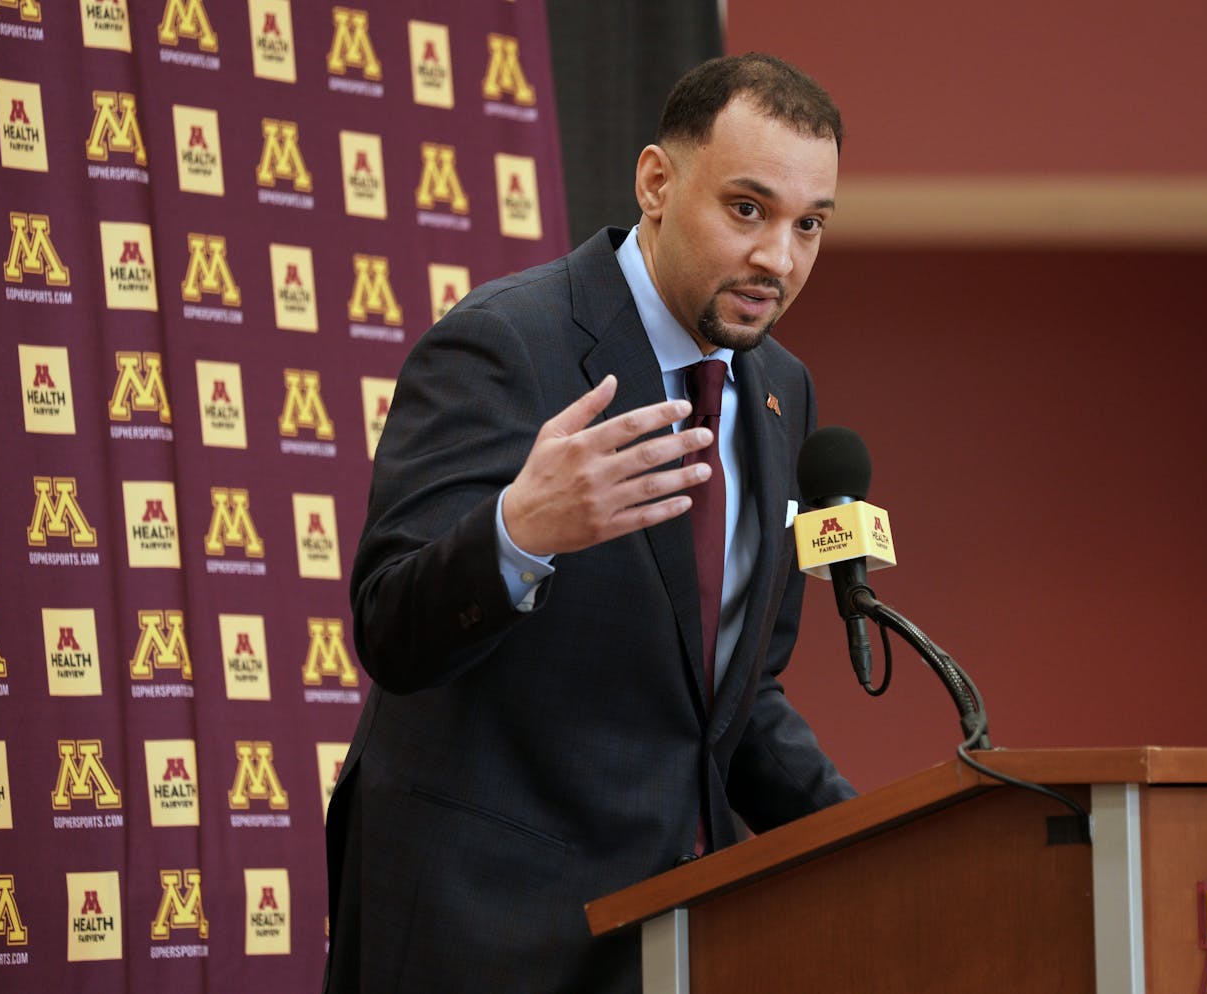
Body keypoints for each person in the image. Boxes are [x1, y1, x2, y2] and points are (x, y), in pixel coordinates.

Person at [324, 53, 856, 993]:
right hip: (477, 932)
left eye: (808, 225)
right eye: (748, 210)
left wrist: (873, 837)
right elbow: (391, 632)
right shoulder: (507, 342)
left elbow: (728, 697)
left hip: (664, 938)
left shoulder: (783, 390)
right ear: (657, 181)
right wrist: (517, 533)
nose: (779, 259)